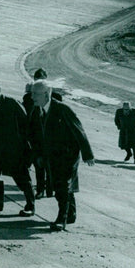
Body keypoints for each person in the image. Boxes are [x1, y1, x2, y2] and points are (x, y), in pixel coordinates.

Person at [28, 80, 95, 232]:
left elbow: (79, 131)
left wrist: (87, 154)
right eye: (32, 93)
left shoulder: (62, 109)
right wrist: (37, 155)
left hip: (68, 155)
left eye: (35, 94)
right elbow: (34, 135)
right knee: (61, 185)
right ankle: (70, 213)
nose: (32, 97)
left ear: (46, 94)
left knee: (62, 186)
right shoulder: (37, 110)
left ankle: (61, 219)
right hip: (50, 156)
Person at [0, 79, 37, 217]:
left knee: (21, 178)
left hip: (14, 150)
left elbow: (26, 125)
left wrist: (27, 149)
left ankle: (30, 205)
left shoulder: (11, 103)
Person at [22, 68, 54, 198]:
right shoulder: (29, 97)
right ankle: (41, 189)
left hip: (50, 136)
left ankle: (50, 189)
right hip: (36, 135)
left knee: (50, 165)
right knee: (38, 164)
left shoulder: (55, 97)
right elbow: (26, 114)